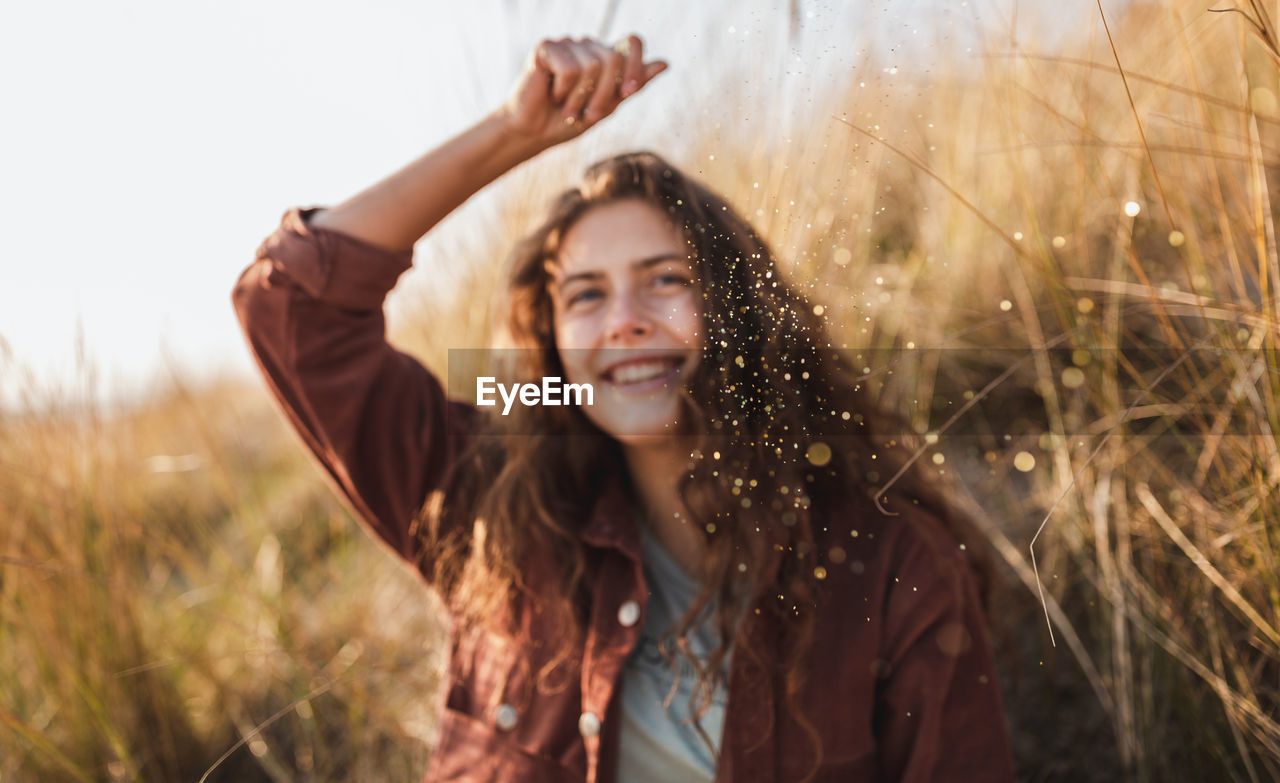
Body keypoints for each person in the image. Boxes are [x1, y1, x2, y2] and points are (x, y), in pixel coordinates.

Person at [232, 32, 1016, 783]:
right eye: (585, 295)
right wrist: (514, 132)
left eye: (666, 279)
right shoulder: (490, 506)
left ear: (734, 309)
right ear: (554, 343)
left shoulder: (895, 570)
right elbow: (291, 306)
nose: (625, 319)